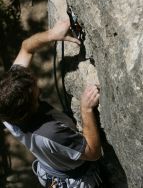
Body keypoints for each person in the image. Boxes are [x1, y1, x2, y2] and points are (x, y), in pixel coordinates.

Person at [0, 18, 102, 187]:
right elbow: (93, 153)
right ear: (31, 107)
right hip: (75, 176)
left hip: (50, 166)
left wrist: (52, 35)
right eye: (35, 91)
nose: (38, 85)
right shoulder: (49, 133)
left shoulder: (6, 104)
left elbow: (26, 47)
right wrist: (86, 110)